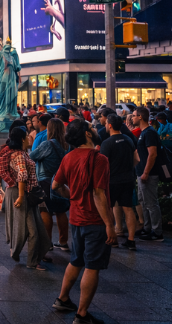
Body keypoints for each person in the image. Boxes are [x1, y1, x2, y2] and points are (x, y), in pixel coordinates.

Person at [52, 120, 114, 324]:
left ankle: (62, 299)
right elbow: (98, 194)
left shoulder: (69, 157)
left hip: (76, 218)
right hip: (94, 220)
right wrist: (109, 224)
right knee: (92, 266)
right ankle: (82, 314)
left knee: (76, 260)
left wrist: (73, 198)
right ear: (87, 134)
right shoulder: (99, 159)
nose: (96, 130)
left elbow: (56, 185)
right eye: (92, 128)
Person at [0, 126, 52, 270]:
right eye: (27, 136)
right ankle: (31, 260)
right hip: (23, 194)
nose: (30, 138)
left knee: (32, 228)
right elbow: (22, 175)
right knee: (32, 230)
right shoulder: (20, 155)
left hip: (25, 194)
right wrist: (21, 197)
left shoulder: (21, 153)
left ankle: (27, 256)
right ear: (22, 139)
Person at [98, 114, 139, 251]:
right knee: (128, 208)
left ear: (109, 125)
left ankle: (112, 238)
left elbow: (103, 164)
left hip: (112, 180)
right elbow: (137, 159)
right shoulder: (128, 139)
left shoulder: (107, 143)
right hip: (128, 178)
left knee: (109, 207)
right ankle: (131, 240)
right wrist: (128, 168)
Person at [30, 118, 71, 251]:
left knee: (45, 211)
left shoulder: (47, 144)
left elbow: (32, 156)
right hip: (61, 182)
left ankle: (47, 242)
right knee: (60, 211)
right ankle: (63, 241)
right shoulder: (67, 145)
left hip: (45, 180)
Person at [133, 107, 164, 241]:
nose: (132, 118)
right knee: (143, 201)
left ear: (140, 117)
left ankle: (157, 232)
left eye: (134, 115)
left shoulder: (149, 133)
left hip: (149, 174)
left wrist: (146, 172)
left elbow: (153, 154)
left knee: (151, 203)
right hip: (142, 173)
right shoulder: (144, 132)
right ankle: (147, 228)